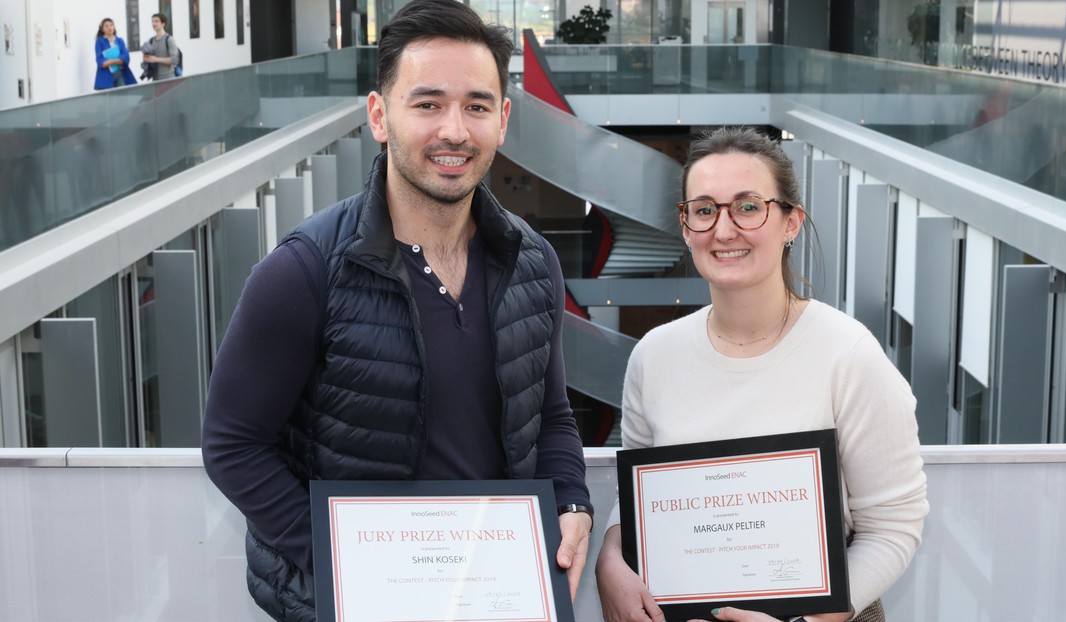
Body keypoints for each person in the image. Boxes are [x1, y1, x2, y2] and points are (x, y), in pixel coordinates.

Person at [201, 1, 593, 620]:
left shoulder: (531, 259)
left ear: (503, 120)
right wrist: (344, 564)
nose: (455, 131)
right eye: (428, 103)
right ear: (380, 116)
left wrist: (572, 501)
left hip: (496, 595)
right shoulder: (304, 272)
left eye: (477, 106)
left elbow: (550, 418)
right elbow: (233, 445)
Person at [594, 127, 928, 622]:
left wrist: (810, 621)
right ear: (686, 227)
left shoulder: (848, 354)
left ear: (791, 222)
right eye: (704, 210)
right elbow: (640, 496)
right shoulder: (655, 355)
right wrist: (610, 556)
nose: (724, 230)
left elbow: (893, 527)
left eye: (748, 206)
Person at [93, 18, 137, 90]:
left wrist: (110, 61)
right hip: (106, 75)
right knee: (108, 98)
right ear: (102, 29)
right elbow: (100, 61)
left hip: (120, 72)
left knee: (122, 96)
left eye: (111, 25)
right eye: (106, 26)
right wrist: (118, 60)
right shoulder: (100, 41)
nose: (109, 27)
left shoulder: (120, 40)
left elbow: (126, 56)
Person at [142, 13, 178, 80]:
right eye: (152, 21)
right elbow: (150, 60)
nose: (154, 23)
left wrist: (156, 59)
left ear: (163, 24)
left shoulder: (169, 39)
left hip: (168, 78)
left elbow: (175, 60)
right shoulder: (151, 41)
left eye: (156, 21)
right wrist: (146, 59)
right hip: (155, 78)